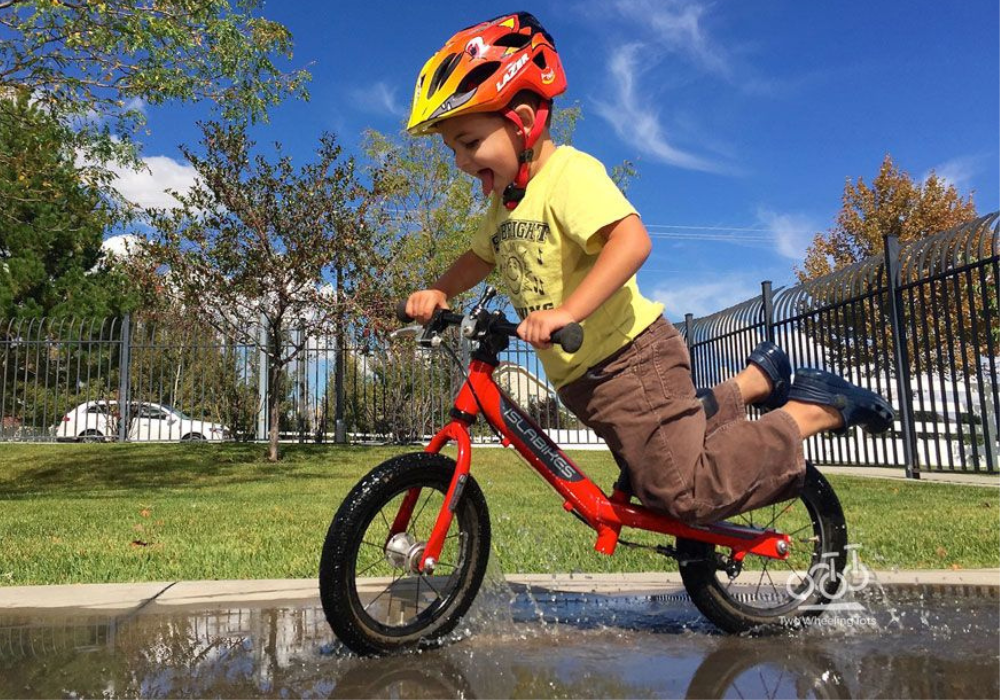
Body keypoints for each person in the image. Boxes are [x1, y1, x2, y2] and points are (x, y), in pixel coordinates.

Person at [404, 12, 894, 523]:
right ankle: (754, 382)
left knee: (680, 490)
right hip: (584, 376)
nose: (460, 160)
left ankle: (810, 410)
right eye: (452, 148)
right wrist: (438, 289)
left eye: (469, 142)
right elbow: (480, 256)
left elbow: (631, 241)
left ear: (524, 121)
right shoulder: (505, 204)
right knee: (659, 459)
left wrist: (568, 311)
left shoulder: (568, 175)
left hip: (630, 361)